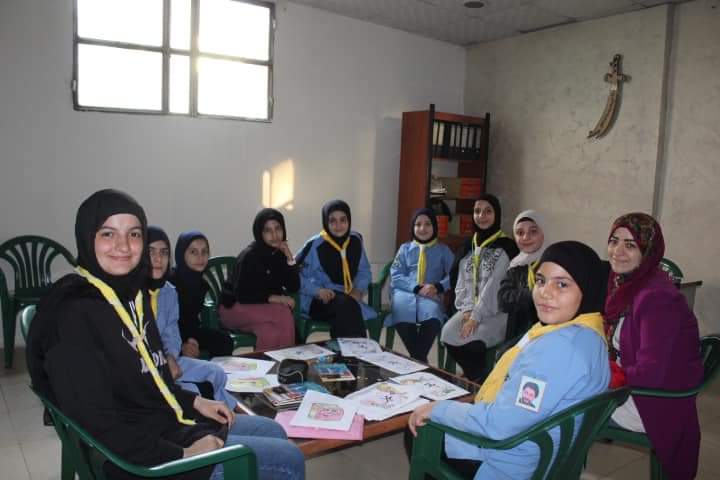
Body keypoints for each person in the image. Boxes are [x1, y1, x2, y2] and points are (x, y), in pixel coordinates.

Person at [26, 189, 304, 480]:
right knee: (288, 458)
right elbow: (99, 425)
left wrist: (194, 402)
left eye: (134, 234)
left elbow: (149, 378)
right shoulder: (73, 313)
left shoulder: (131, 294)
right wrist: (185, 454)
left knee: (273, 430)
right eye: (108, 234)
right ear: (87, 237)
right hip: (137, 458)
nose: (124, 246)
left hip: (160, 419)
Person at [408, 241, 611, 479]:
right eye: (541, 280)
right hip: (546, 453)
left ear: (587, 288)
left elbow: (499, 425)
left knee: (420, 428)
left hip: (512, 463)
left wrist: (438, 409)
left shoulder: (558, 349)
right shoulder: (590, 333)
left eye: (562, 284)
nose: (545, 292)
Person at [604, 212, 702, 480]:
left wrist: (603, 374)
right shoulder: (628, 283)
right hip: (639, 388)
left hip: (652, 402)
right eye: (614, 241)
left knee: (561, 405)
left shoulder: (656, 298)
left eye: (630, 245)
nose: (618, 251)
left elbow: (652, 372)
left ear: (648, 251)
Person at [147, 226, 240, 411]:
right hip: (151, 360)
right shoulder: (148, 288)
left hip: (177, 343)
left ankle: (228, 408)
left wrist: (185, 344)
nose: (200, 257)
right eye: (151, 252)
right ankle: (205, 406)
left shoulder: (171, 289)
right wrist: (181, 347)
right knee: (194, 388)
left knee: (219, 360)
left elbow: (173, 328)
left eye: (164, 253)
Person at [440, 194, 519, 381]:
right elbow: (460, 280)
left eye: (488, 211)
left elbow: (494, 286)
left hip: (497, 311)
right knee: (447, 334)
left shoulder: (506, 247)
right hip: (470, 308)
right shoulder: (468, 244)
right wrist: (467, 309)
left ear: (496, 214)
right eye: (477, 211)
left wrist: (476, 317)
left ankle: (478, 379)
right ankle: (478, 377)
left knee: (473, 340)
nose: (482, 216)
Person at [296, 199, 376, 339]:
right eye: (332, 221)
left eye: (343, 220)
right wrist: (317, 291)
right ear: (325, 222)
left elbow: (364, 271)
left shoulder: (355, 241)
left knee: (346, 308)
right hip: (317, 299)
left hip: (347, 298)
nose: (338, 225)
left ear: (349, 220)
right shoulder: (314, 245)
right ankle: (357, 350)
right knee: (345, 307)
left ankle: (347, 350)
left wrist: (358, 290)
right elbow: (293, 276)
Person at [219, 208, 297, 350]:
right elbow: (242, 295)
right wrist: (276, 298)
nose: (274, 235)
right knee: (283, 312)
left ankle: (266, 364)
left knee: (269, 332)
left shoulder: (279, 254)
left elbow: (294, 286)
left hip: (260, 311)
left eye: (278, 228)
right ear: (259, 233)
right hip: (233, 308)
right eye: (268, 230)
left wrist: (290, 258)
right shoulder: (250, 256)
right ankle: (290, 360)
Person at [386, 208, 454, 363]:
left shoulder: (443, 250)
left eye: (428, 224)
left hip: (430, 294)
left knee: (433, 317)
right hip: (405, 293)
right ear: (413, 227)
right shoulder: (404, 249)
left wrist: (438, 286)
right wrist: (415, 287)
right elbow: (396, 274)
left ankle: (416, 361)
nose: (422, 228)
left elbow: (456, 273)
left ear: (434, 226)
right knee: (401, 312)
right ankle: (421, 361)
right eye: (418, 224)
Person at [170, 231, 234, 357]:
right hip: (169, 336)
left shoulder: (201, 283)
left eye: (204, 252)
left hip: (189, 331)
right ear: (181, 254)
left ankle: (216, 369)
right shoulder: (170, 283)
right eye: (193, 252)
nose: (200, 257)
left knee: (224, 341)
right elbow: (166, 326)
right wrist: (182, 344)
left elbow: (190, 321)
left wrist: (191, 339)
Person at [498, 210, 547, 342]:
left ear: (544, 233)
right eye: (520, 233)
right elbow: (503, 300)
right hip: (518, 333)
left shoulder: (552, 264)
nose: (526, 237)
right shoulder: (515, 266)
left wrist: (519, 296)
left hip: (546, 333)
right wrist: (534, 294)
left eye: (533, 231)